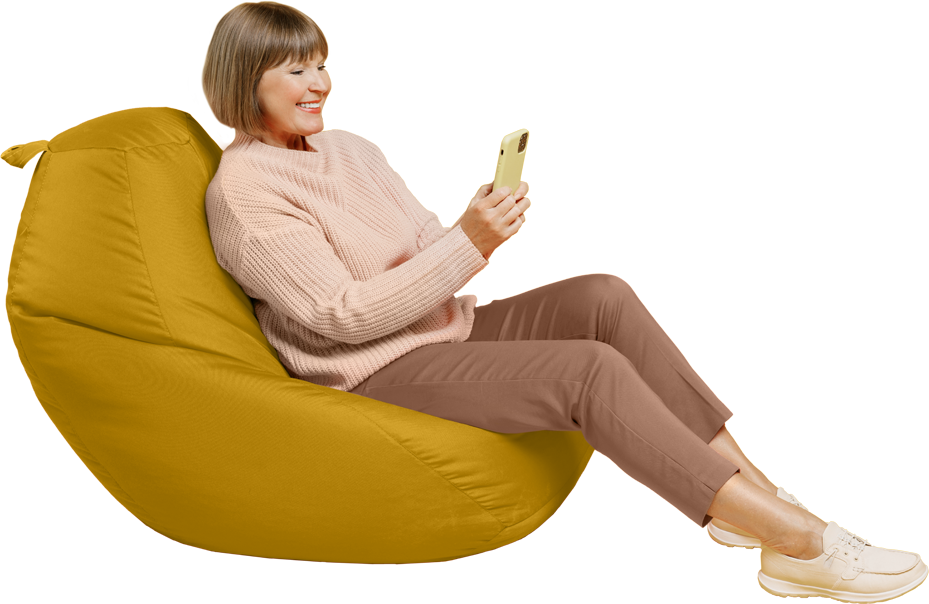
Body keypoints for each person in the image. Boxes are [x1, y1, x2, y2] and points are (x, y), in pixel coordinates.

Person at [201, 3, 926, 601]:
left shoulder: (352, 152)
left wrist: (469, 225)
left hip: (444, 328)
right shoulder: (246, 189)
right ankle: (799, 541)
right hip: (373, 370)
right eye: (296, 70)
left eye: (322, 64)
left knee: (602, 297)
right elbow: (338, 316)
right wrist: (467, 247)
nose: (318, 83)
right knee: (586, 371)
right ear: (245, 78)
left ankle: (757, 510)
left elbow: (424, 238)